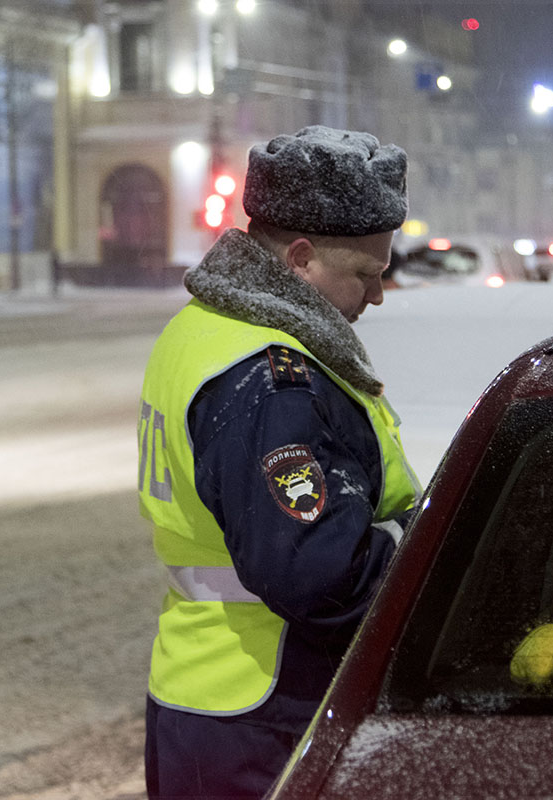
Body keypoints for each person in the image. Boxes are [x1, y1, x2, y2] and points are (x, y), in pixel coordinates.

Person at [137, 125, 421, 798]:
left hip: (207, 692)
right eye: (366, 273)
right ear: (299, 258)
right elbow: (316, 572)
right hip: (267, 707)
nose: (377, 295)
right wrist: (424, 551)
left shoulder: (205, 329)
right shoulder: (269, 377)